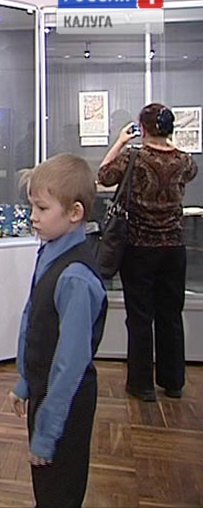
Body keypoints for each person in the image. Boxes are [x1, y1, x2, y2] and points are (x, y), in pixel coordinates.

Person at [9, 153, 108, 508]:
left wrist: (48, 431)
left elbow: (70, 363)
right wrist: (26, 381)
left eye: (42, 208)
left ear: (74, 212)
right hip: (44, 393)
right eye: (32, 206)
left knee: (59, 494)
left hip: (65, 404)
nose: (32, 216)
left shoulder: (76, 277)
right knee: (46, 491)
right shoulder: (50, 253)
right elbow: (34, 319)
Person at [98, 103, 197, 401]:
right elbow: (188, 172)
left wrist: (120, 141)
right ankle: (173, 381)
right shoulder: (185, 160)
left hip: (139, 247)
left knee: (140, 316)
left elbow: (104, 175)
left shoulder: (134, 157)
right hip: (174, 247)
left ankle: (141, 385)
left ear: (142, 128)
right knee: (171, 314)